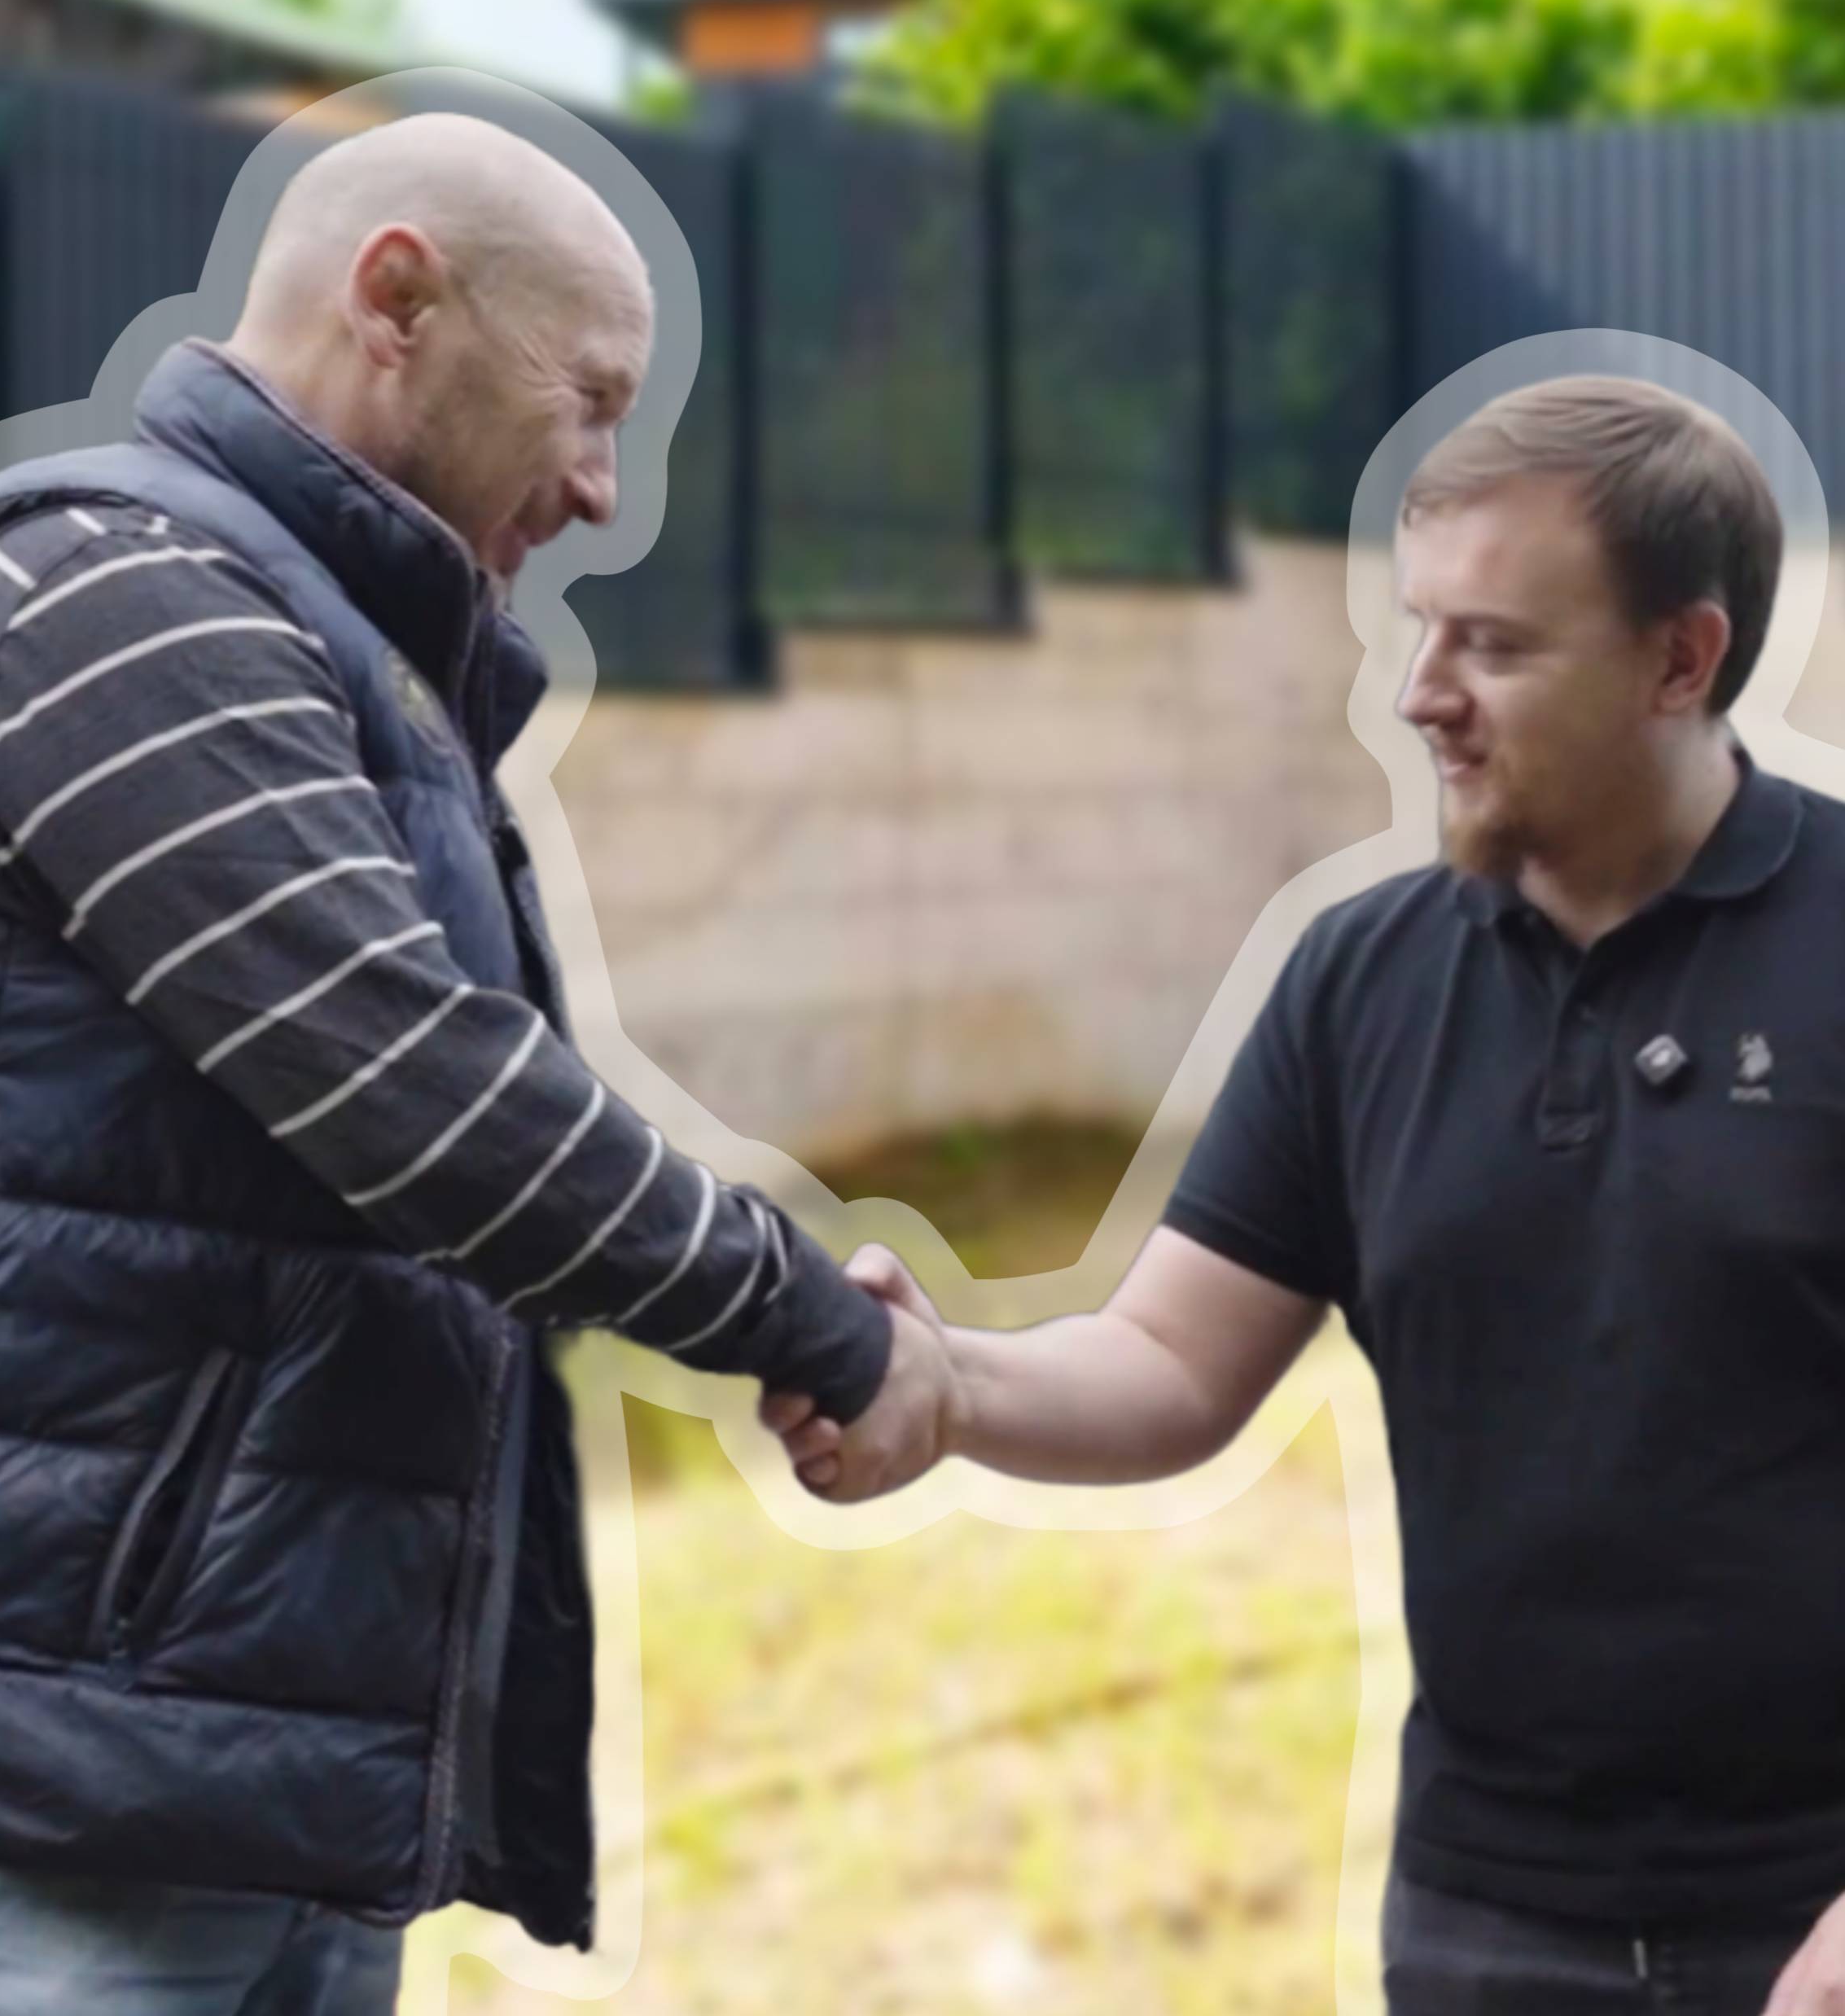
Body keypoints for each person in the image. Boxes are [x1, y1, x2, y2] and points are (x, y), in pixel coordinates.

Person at [0, 110, 946, 2016]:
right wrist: (816, 1325)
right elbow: (429, 1104)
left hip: (246, 1786)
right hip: (58, 1803)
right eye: (590, 400)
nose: (600, 486)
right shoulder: (114, 589)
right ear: (398, 298)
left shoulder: (343, 656)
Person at [767, 375, 1845, 2016]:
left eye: (1491, 643)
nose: (1418, 694)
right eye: (1418, 629)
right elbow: (1170, 1360)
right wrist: (945, 1381)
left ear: (1678, 659)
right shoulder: (1359, 979)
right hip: (1485, 1918)